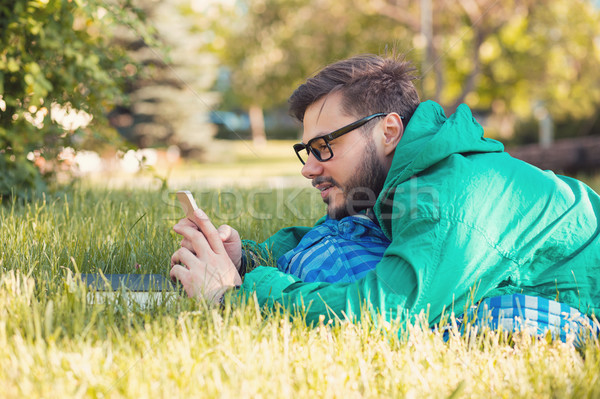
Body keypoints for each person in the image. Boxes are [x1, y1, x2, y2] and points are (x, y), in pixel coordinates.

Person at [170, 53, 600, 335]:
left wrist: (235, 295)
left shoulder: (451, 199)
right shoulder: (406, 178)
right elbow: (355, 232)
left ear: (389, 131)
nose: (308, 167)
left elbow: (382, 315)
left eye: (324, 146)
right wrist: (245, 258)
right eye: (306, 150)